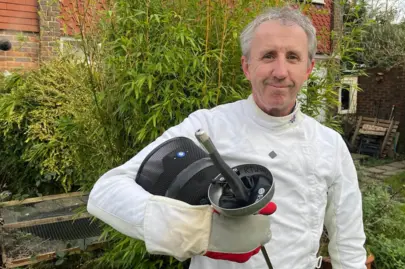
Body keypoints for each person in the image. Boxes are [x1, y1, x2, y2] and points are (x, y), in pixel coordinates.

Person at [87, 6, 367, 269]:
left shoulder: (330, 144)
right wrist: (197, 229)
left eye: (292, 57)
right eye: (268, 56)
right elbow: (107, 192)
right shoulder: (207, 126)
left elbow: (349, 245)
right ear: (247, 67)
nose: (280, 72)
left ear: (307, 69)